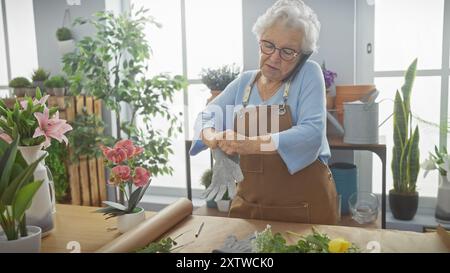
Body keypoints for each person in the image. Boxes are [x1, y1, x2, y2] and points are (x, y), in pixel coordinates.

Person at [190, 0, 337, 224]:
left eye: (287, 51)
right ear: (259, 40)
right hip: (250, 208)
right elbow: (208, 115)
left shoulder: (309, 74)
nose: (274, 57)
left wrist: (252, 144)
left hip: (305, 209)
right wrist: (212, 135)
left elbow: (312, 134)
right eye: (268, 45)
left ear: (302, 56)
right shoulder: (244, 82)